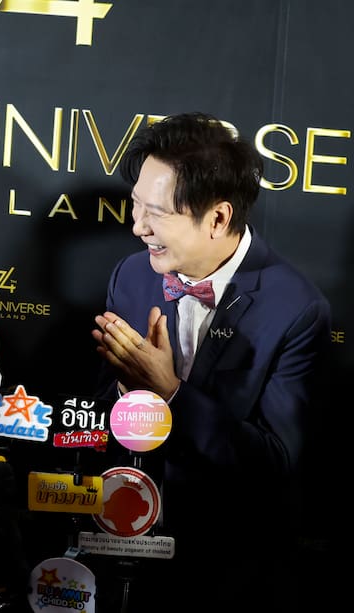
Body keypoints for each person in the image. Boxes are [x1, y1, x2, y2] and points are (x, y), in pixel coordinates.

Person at [90, 112, 331, 612]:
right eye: (135, 206)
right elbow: (99, 410)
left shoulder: (296, 308)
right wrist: (123, 388)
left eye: (156, 213)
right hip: (122, 545)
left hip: (230, 568)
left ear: (218, 218)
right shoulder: (132, 276)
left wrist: (171, 393)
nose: (137, 227)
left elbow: (277, 465)